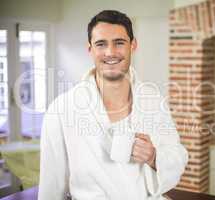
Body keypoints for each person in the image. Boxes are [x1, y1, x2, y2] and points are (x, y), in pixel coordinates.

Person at [38, 10, 188, 200]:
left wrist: (153, 157)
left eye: (119, 42)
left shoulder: (152, 100)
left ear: (133, 45)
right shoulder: (61, 110)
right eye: (101, 44)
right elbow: (51, 184)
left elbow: (178, 155)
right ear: (90, 48)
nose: (110, 52)